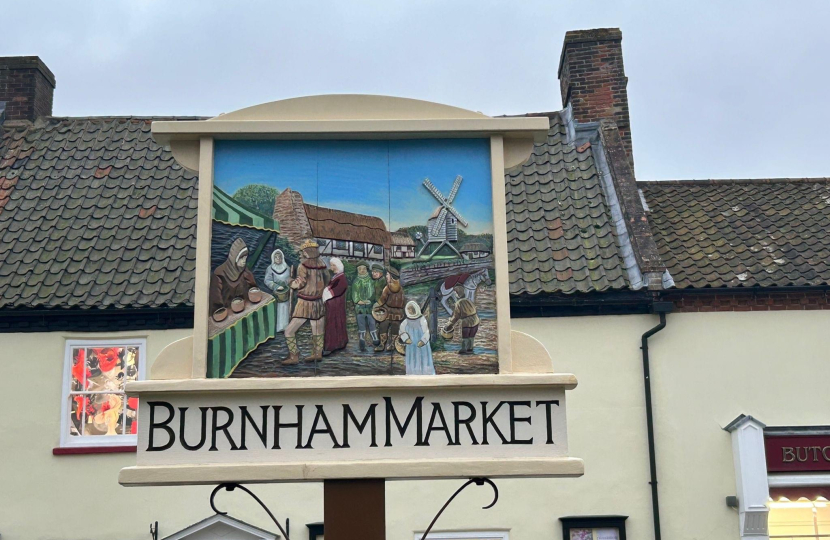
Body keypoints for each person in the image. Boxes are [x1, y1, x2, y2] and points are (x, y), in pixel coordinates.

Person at [283, 240, 329, 365]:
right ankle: (317, 353)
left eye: (304, 251)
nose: (303, 253)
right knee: (317, 330)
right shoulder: (323, 265)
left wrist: (290, 281)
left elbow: (299, 284)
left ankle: (294, 355)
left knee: (289, 331)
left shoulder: (303, 266)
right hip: (318, 302)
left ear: (308, 251)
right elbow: (327, 281)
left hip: (304, 302)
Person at [209, 237, 259, 321]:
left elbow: (253, 287)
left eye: (245, 258)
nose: (244, 261)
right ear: (234, 257)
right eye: (241, 258)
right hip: (226, 315)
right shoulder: (219, 274)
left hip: (244, 309)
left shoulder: (244, 270)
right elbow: (216, 302)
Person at [374, 267, 405, 353]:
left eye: (387, 274)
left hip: (387, 312)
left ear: (391, 276)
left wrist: (376, 306)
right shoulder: (401, 289)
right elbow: (403, 301)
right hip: (398, 313)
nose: (386, 276)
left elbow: (382, 300)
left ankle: (382, 344)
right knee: (395, 328)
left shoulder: (387, 288)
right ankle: (392, 344)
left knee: (383, 327)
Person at [399, 301, 435, 375]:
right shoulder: (406, 321)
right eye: (409, 310)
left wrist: (423, 341)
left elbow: (426, 332)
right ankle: (412, 373)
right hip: (411, 345)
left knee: (423, 359)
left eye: (412, 309)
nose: (410, 311)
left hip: (421, 345)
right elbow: (401, 331)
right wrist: (406, 339)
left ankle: (425, 373)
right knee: (412, 359)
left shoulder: (422, 319)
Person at [321, 257, 348, 356]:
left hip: (336, 304)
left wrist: (327, 294)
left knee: (333, 323)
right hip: (334, 304)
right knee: (334, 323)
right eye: (331, 265)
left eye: (333, 265)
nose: (331, 267)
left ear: (338, 266)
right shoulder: (337, 276)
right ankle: (339, 342)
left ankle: (331, 346)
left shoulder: (341, 278)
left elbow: (339, 289)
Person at [351, 262, 380, 351]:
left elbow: (373, 292)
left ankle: (375, 339)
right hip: (359, 307)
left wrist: (370, 300)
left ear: (367, 269)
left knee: (372, 323)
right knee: (361, 324)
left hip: (370, 306)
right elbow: (354, 293)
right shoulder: (356, 281)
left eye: (363, 269)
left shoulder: (371, 281)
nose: (362, 271)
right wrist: (358, 300)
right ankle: (362, 340)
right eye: (360, 269)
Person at [264, 249, 291, 332]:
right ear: (273, 258)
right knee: (277, 310)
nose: (278, 259)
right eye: (276, 257)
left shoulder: (287, 268)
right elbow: (267, 280)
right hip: (276, 294)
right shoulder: (270, 269)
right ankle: (278, 328)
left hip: (286, 293)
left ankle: (286, 327)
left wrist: (289, 283)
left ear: (282, 258)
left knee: (285, 310)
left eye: (279, 257)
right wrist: (275, 286)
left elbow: (290, 279)